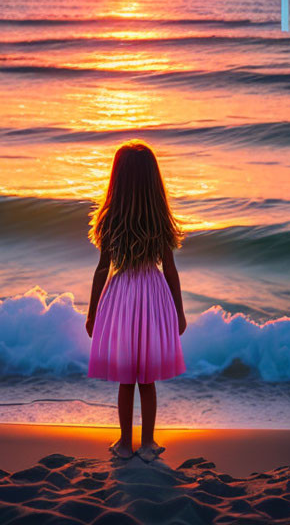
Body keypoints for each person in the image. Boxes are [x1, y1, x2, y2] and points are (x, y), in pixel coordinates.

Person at [85, 140, 187, 462]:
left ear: (118, 179)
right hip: (153, 296)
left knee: (126, 377)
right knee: (148, 378)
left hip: (121, 297)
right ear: (153, 180)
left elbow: (102, 270)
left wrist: (91, 314)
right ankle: (148, 445)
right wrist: (179, 312)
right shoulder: (159, 219)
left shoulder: (110, 219)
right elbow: (169, 270)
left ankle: (124, 444)